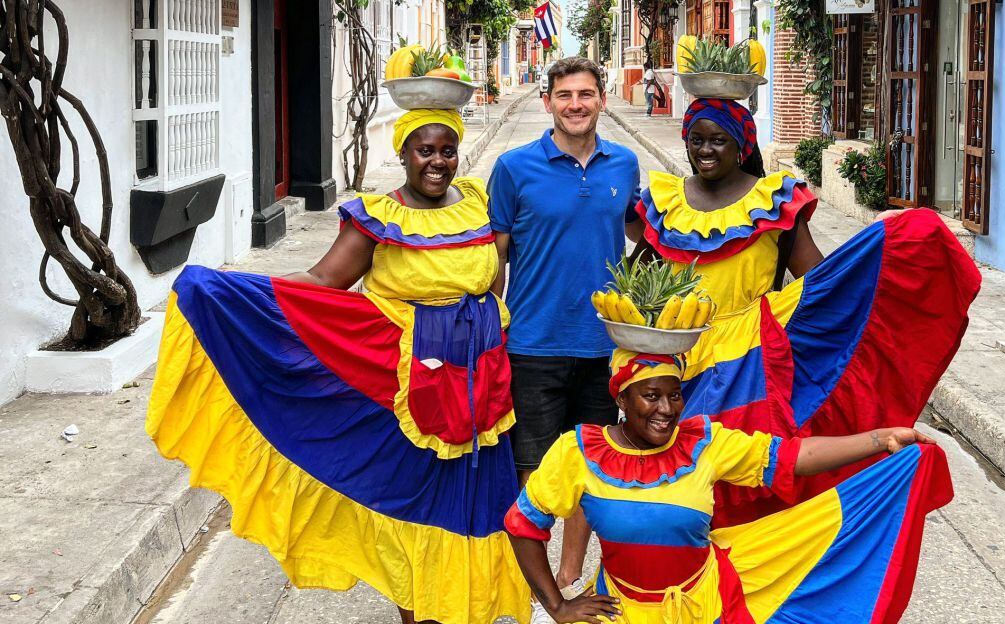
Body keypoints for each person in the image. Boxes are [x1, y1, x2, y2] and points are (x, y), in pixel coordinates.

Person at [147, 109, 530, 624]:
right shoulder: (379, 216)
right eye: (425, 151)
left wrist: (489, 329)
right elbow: (324, 281)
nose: (437, 162)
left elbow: (492, 275)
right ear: (403, 154)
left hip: (483, 385)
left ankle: (467, 607)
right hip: (407, 392)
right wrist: (242, 289)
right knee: (417, 508)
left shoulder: (480, 204)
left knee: (477, 500)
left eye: (446, 150)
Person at [631, 97, 982, 526]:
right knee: (670, 467)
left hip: (749, 357)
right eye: (697, 140)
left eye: (719, 140)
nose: (705, 150)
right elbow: (640, 277)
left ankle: (737, 564)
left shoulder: (772, 200)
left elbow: (818, 276)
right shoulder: (665, 201)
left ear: (742, 145)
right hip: (676, 353)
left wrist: (873, 245)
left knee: (739, 471)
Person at [505, 350, 952, 623]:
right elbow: (523, 524)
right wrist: (558, 607)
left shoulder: (704, 442)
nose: (666, 409)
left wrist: (880, 439)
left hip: (707, 606)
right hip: (621, 611)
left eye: (674, 394)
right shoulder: (578, 451)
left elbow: (793, 458)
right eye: (650, 396)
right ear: (620, 399)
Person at [486, 56, 644, 621]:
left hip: (606, 344)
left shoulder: (624, 165)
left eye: (585, 93)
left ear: (602, 99)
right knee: (535, 467)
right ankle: (538, 570)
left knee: (596, 462)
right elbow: (495, 260)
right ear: (546, 101)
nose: (575, 104)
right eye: (564, 95)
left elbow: (640, 235)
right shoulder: (512, 168)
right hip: (532, 342)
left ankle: (571, 565)